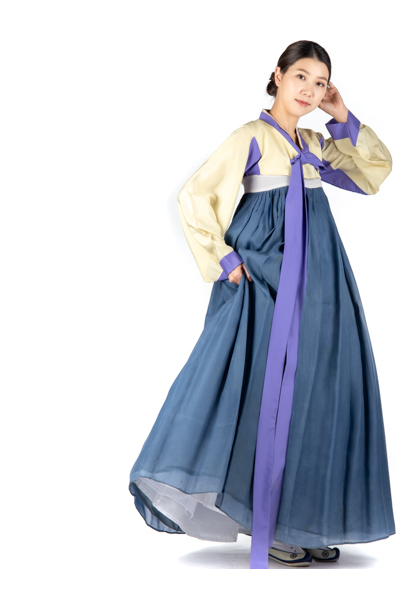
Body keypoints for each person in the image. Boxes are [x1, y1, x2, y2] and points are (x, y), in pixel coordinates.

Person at [128, 40, 396, 569]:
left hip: (318, 281)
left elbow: (375, 172)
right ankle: (264, 522)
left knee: (314, 392)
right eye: (301, 77)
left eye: (320, 83)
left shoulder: (315, 145)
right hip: (265, 280)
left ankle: (300, 520)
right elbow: (194, 196)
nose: (309, 90)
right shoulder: (250, 138)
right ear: (277, 75)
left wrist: (342, 115)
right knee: (262, 391)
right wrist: (225, 260)